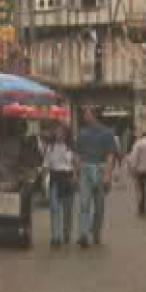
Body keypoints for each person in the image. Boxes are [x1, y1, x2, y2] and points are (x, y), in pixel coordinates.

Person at [76, 105, 117, 248]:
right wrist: (77, 169)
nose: (84, 116)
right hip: (85, 170)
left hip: (100, 169)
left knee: (99, 206)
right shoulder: (82, 133)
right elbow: (78, 153)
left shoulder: (106, 133)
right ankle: (83, 234)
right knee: (84, 203)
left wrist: (107, 174)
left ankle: (96, 232)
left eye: (86, 113)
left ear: (94, 115)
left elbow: (110, 155)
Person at [43, 125, 75, 247]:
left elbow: (76, 163)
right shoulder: (50, 148)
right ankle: (55, 237)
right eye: (57, 131)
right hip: (54, 178)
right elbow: (46, 164)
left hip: (67, 178)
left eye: (61, 132)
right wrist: (44, 181)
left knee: (67, 210)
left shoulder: (70, 148)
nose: (59, 134)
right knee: (54, 209)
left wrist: (75, 176)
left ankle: (66, 233)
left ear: (66, 134)